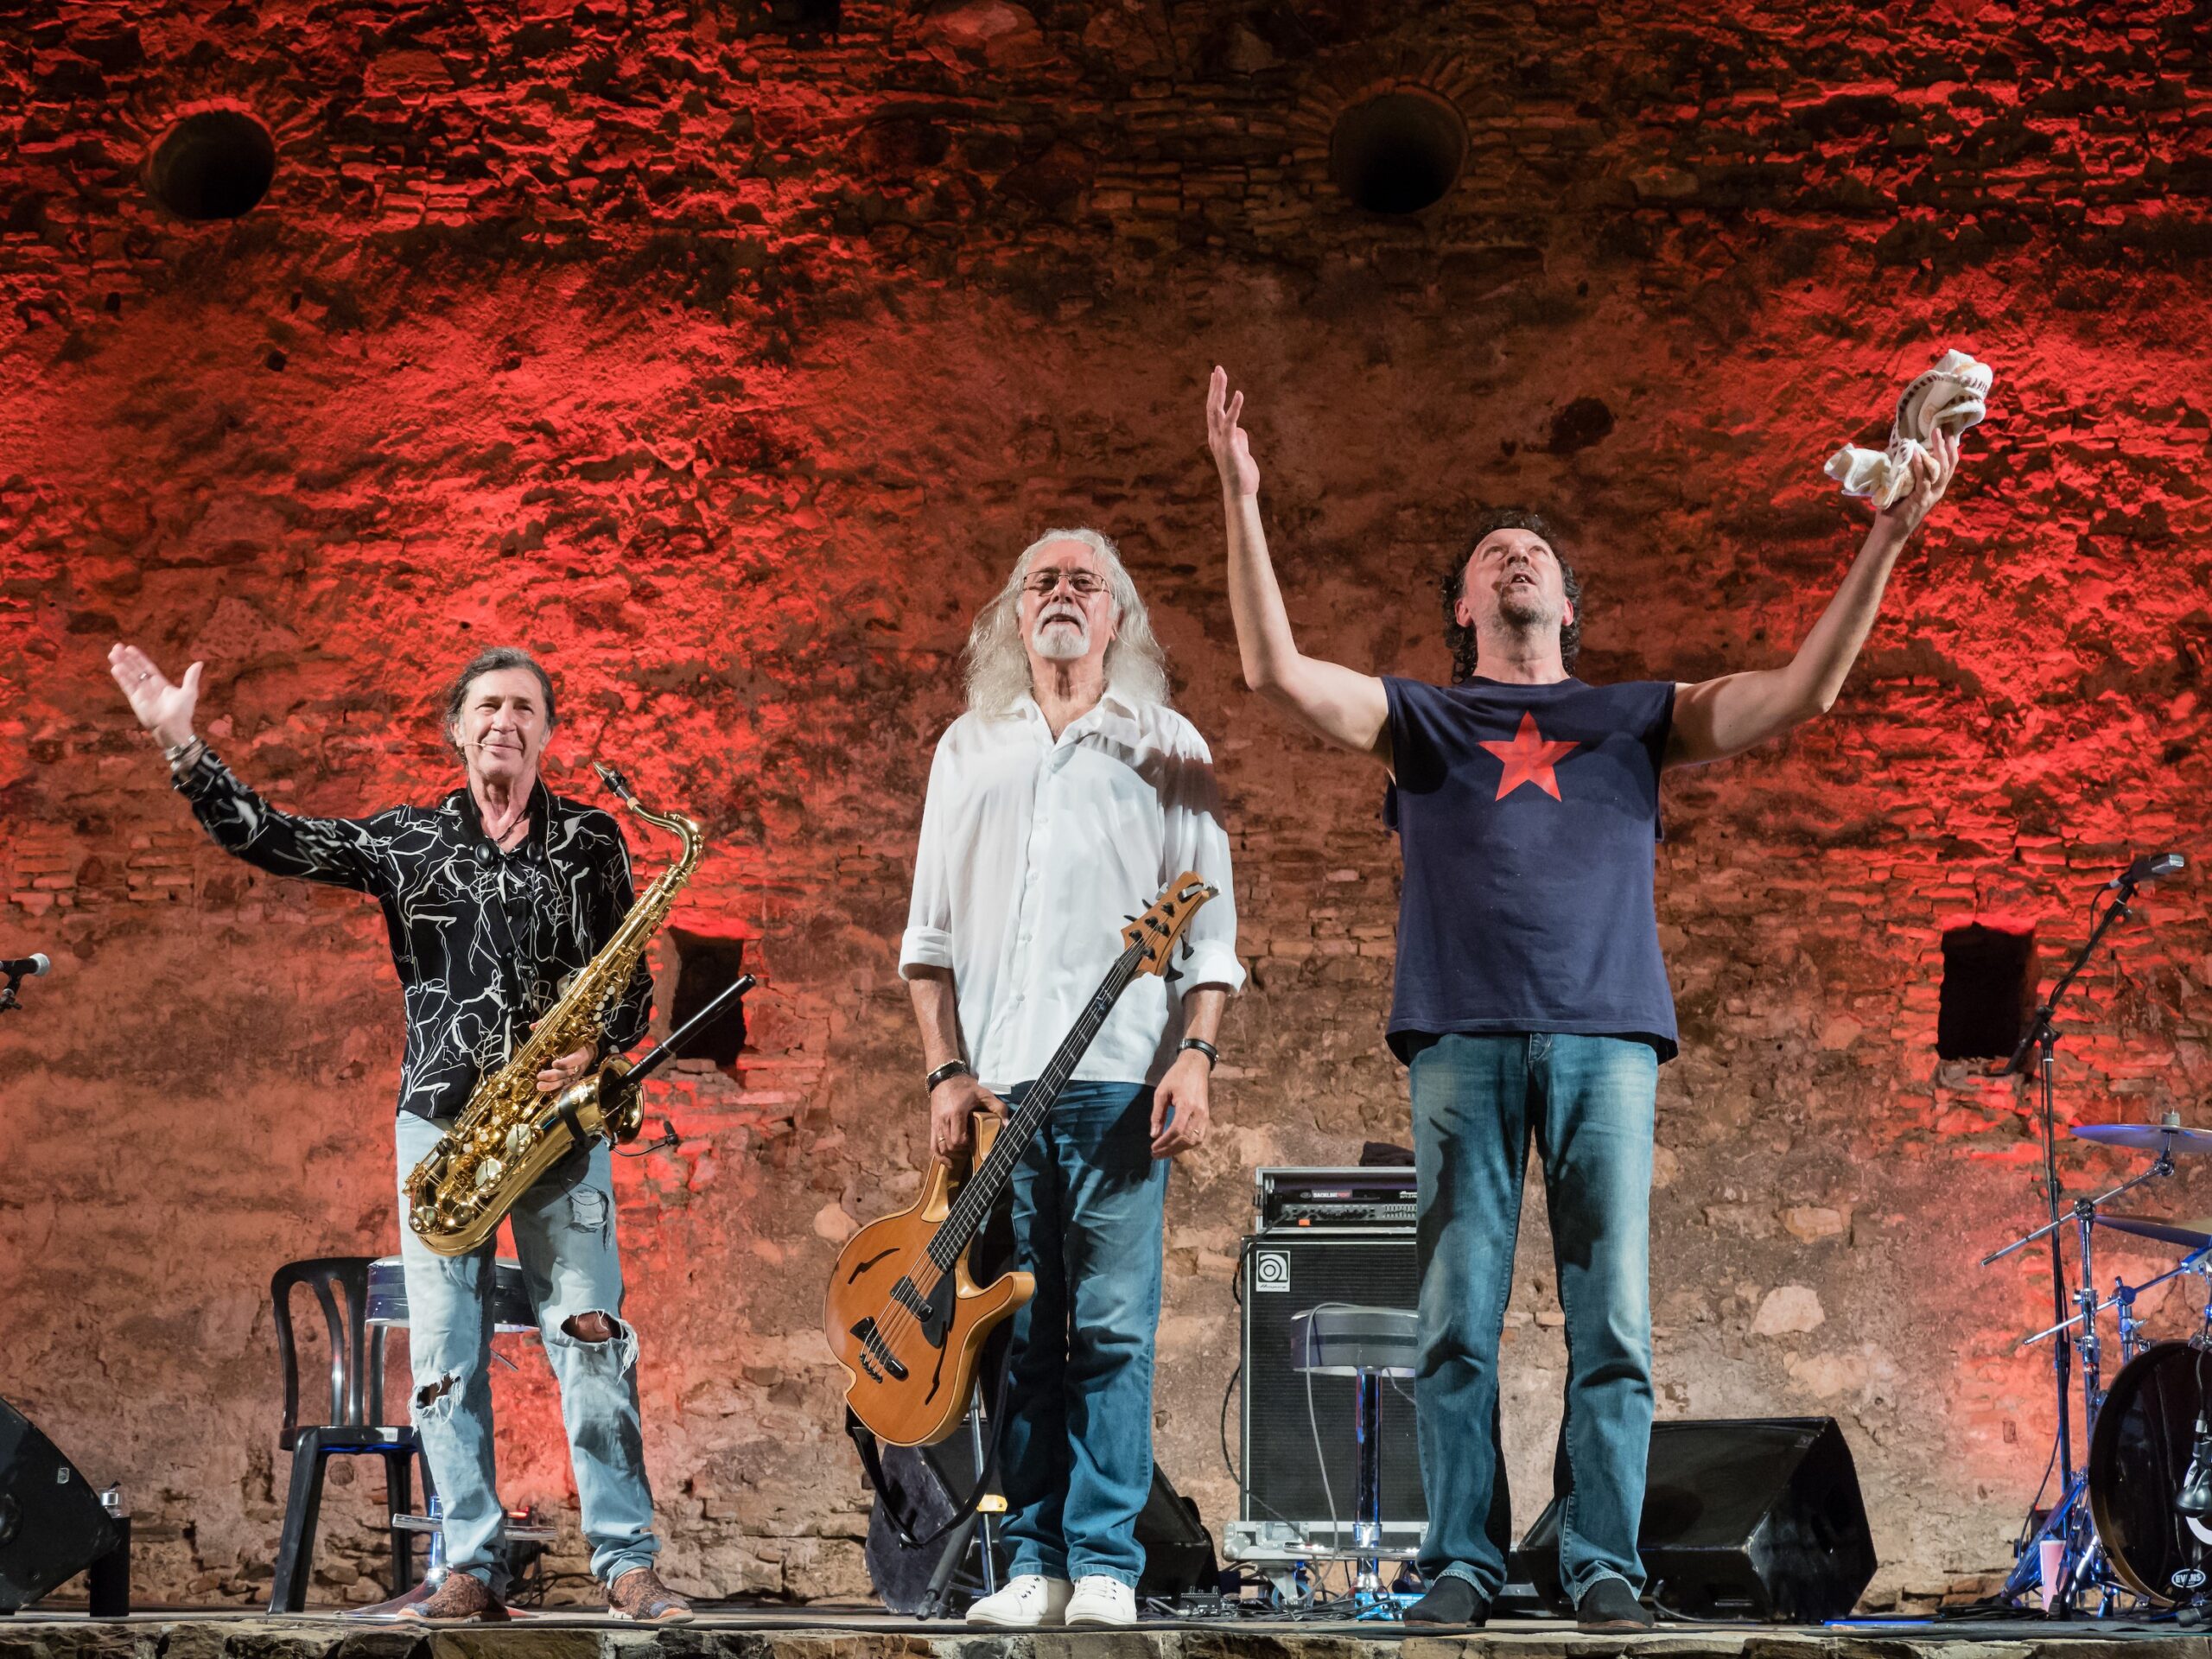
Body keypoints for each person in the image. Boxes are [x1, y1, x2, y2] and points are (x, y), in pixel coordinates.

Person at [1203, 366, 1963, 1630]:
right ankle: (1463, 1560)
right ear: (1464, 605)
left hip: (1606, 1033)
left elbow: (1803, 691)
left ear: (1566, 604)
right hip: (1460, 1034)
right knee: (1455, 1322)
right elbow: (1275, 671)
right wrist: (1240, 498)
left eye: (1537, 554)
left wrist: (1887, 535)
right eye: (1493, 554)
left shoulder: (1633, 716)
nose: (1517, 558)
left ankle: (1601, 1558)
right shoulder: (1425, 720)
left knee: (1612, 1318)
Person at [108, 641, 692, 1624]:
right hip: (444, 1129)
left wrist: (599, 1048)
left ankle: (626, 1563)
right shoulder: (406, 839)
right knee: (444, 1360)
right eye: (487, 705)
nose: (505, 721)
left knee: (592, 1336)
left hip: (558, 1130)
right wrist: (183, 747)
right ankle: (468, 1565)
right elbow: (274, 839)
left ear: (547, 732)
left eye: (525, 707)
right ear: (457, 728)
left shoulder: (592, 841)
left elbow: (629, 982)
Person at [899, 528, 1243, 1629]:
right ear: (1014, 615)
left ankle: (1103, 1563)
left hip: (1118, 1084)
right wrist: (945, 1070)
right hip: (998, 1091)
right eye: (1040, 580)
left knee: (1110, 1330)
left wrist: (1194, 1053)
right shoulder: (967, 749)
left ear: (1116, 617)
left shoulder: (1166, 744)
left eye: (1083, 582)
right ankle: (1031, 1563)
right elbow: (927, 940)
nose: (1060, 594)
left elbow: (1211, 935)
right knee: (1013, 1334)